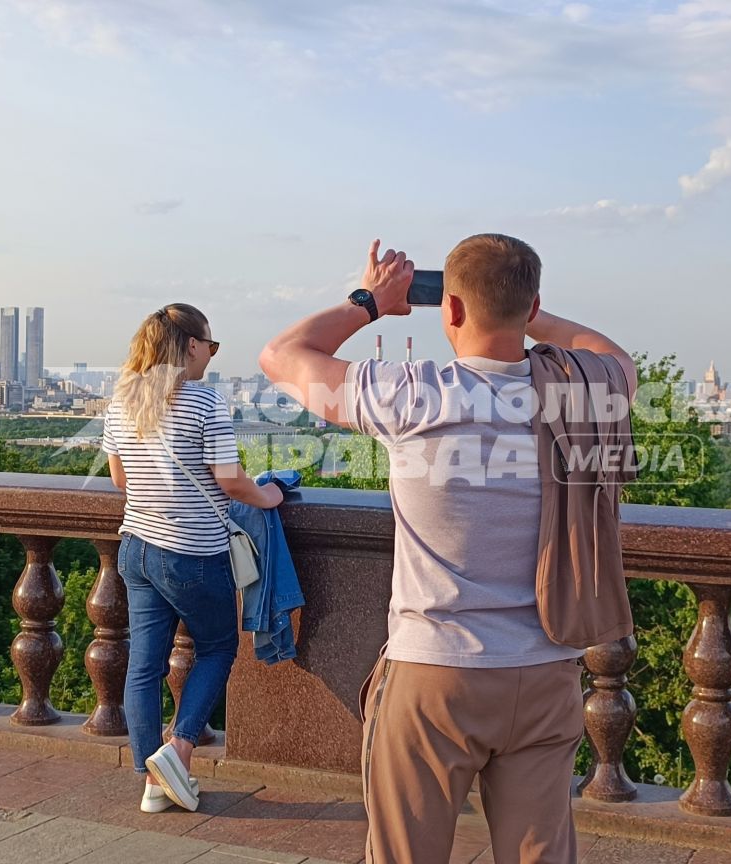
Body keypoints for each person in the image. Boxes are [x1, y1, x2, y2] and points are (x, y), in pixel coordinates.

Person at [260, 235, 637, 864]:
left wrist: (370, 301)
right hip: (547, 671)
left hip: (436, 672)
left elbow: (282, 356)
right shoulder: (579, 391)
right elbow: (614, 356)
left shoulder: (414, 393)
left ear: (451, 312)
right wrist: (523, 311)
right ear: (532, 303)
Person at [105, 303, 283, 814]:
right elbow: (229, 480)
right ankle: (178, 751)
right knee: (218, 649)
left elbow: (120, 480)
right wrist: (268, 496)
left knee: (143, 666)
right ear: (190, 345)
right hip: (191, 552)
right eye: (212, 344)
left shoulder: (123, 400)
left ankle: (151, 783)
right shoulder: (205, 401)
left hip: (136, 547)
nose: (213, 353)